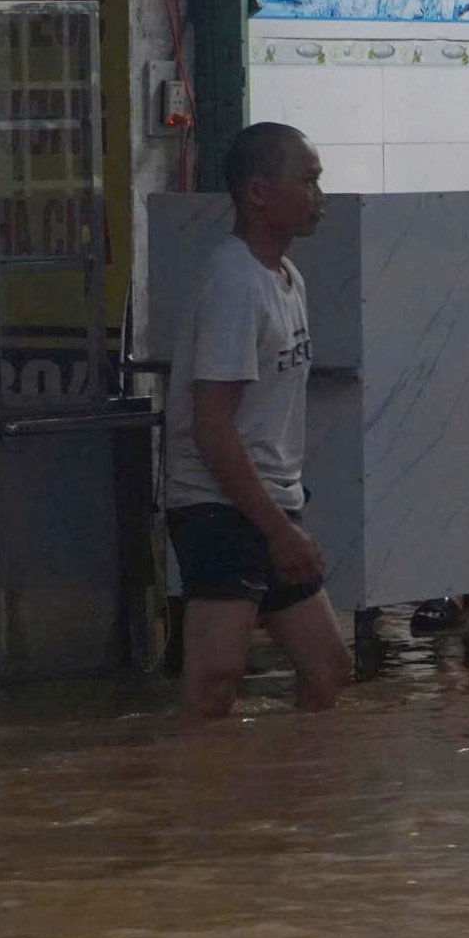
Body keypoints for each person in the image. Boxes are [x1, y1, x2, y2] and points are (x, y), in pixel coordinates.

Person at [164, 122, 353, 720]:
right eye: (309, 181)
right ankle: (201, 804)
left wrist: (283, 515)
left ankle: (291, 804)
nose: (319, 197)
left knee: (327, 670)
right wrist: (277, 530)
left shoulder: (287, 279)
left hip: (269, 503)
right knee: (216, 679)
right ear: (259, 192)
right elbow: (212, 427)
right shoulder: (234, 283)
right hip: (218, 508)